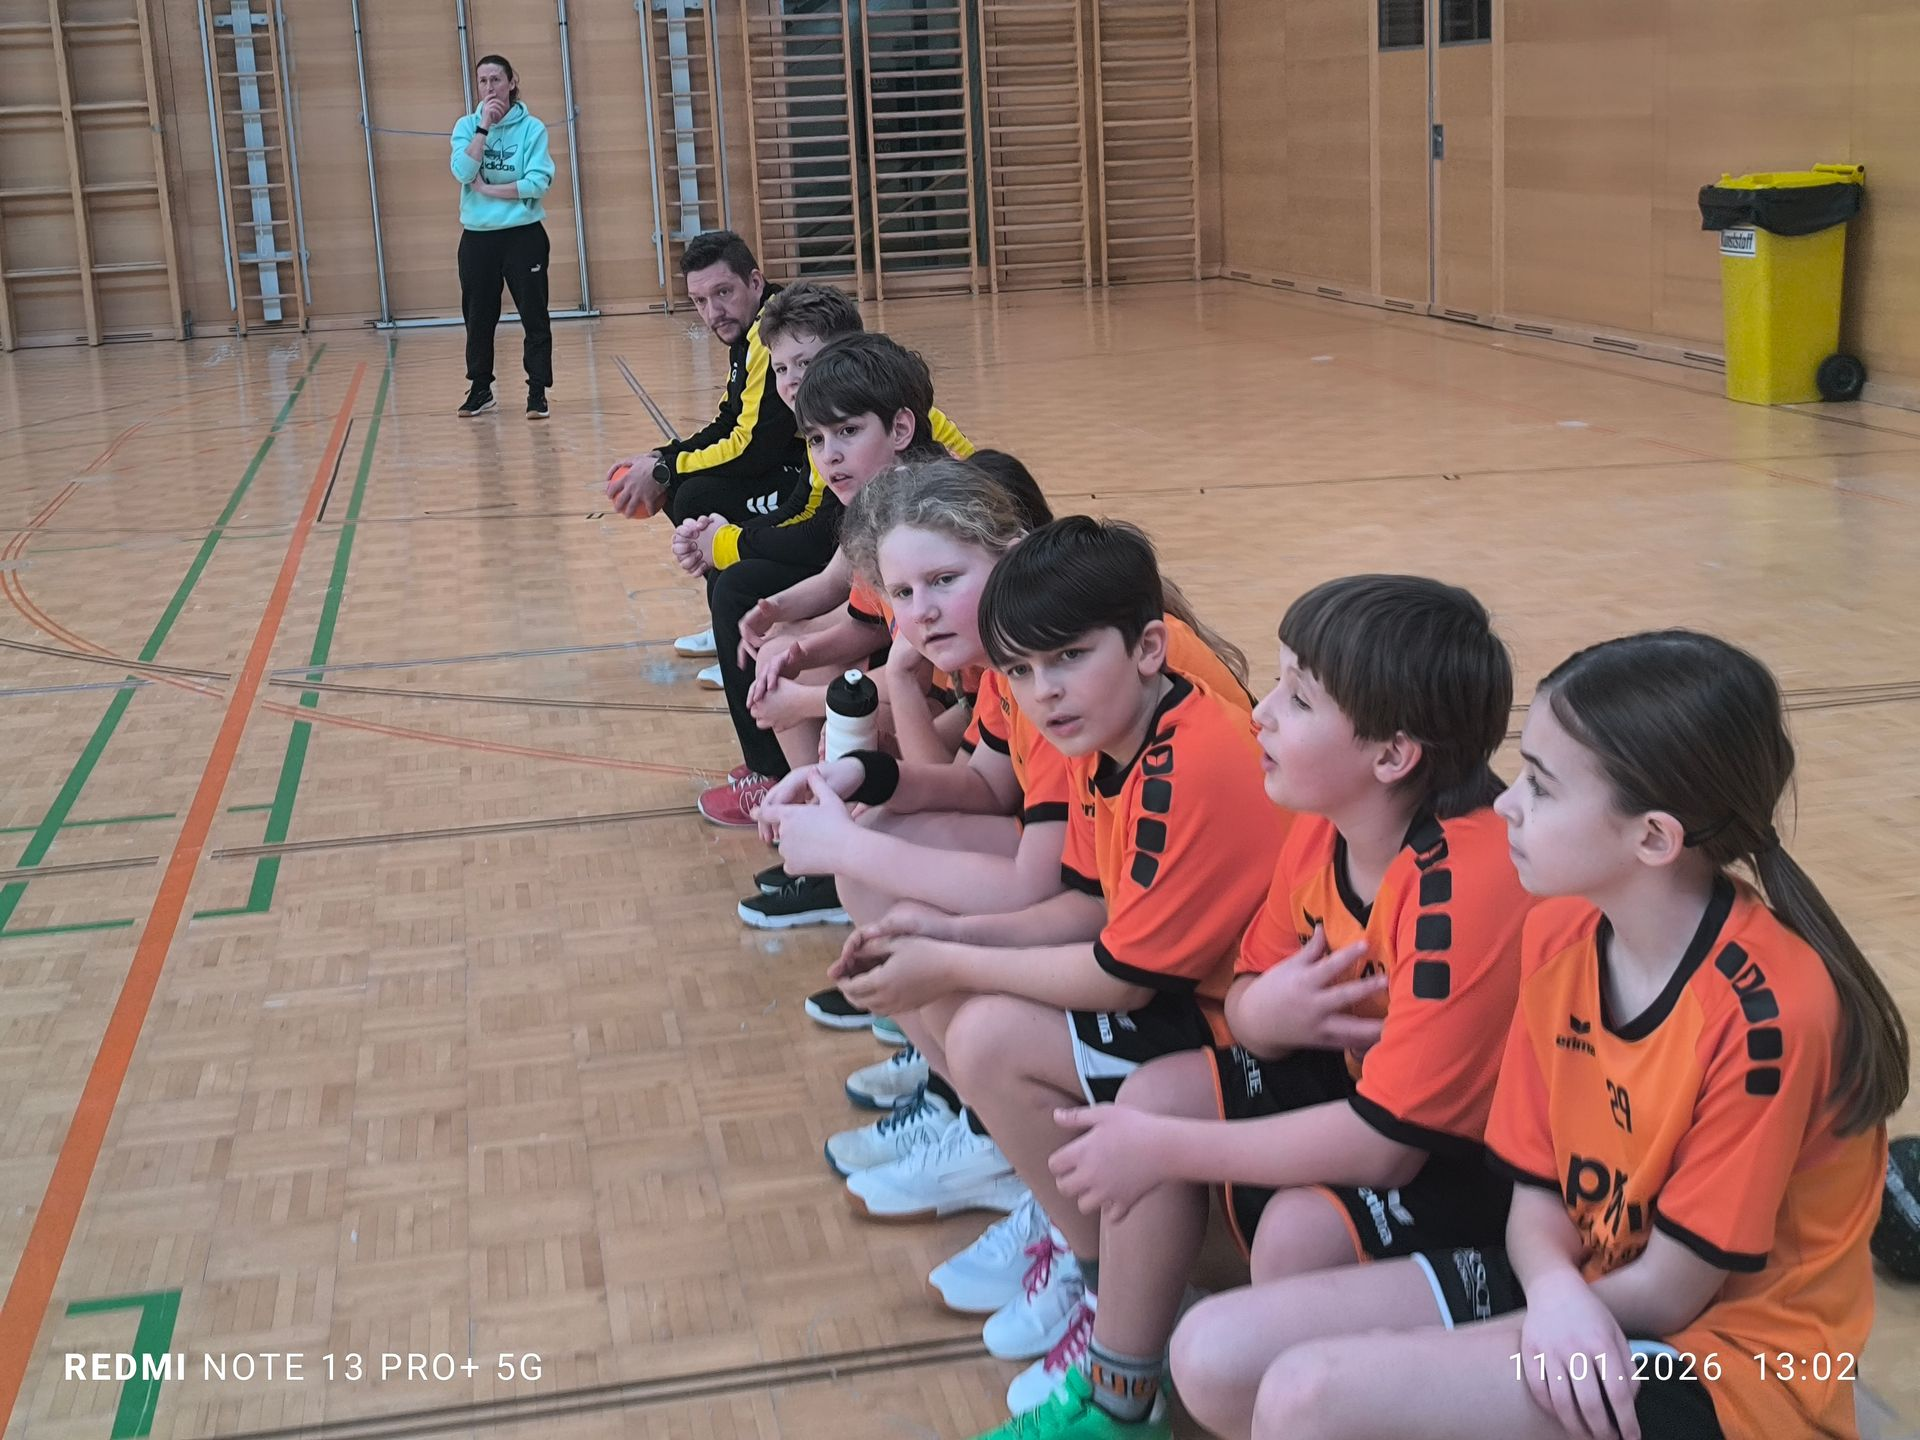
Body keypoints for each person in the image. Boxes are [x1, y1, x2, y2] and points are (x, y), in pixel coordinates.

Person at [1170, 629, 1908, 1440]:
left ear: (1654, 838)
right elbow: (1536, 1194)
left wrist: (1466, 1342)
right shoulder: (1558, 932)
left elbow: (1672, 1291)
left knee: (1311, 1396)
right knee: (1214, 1355)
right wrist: (1550, 1289)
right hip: (1581, 1290)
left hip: (1736, 1367)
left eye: (1543, 788)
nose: (1506, 805)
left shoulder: (1772, 1013)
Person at [990, 574, 1526, 1437]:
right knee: (1154, 1095)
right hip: (1367, 1093)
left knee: (1290, 1230)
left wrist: (1159, 1148)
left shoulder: (1463, 886)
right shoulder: (1325, 820)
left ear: (1394, 755)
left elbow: (1389, 1147)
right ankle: (1122, 1401)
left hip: (1479, 1166)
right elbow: (1246, 998)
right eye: (1277, 683)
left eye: (1299, 699)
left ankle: (1310, 1394)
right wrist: (1269, 1015)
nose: (1261, 713)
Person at [693, 332, 944, 828]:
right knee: (782, 653)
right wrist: (787, 637)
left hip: (966, 709)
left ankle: (831, 823)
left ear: (900, 428)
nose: (829, 455)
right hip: (930, 690)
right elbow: (861, 614)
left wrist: (806, 703)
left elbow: (914, 674)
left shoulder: (923, 520)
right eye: (816, 440)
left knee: (838, 704)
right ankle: (816, 810)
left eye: (847, 431)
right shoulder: (877, 498)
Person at [604, 231, 805, 532]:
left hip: (821, 477)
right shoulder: (749, 329)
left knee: (694, 497)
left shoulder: (776, 335)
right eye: (700, 301)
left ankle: (758, 562)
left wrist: (665, 470)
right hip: (788, 459)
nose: (713, 313)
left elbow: (752, 449)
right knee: (679, 488)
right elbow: (729, 421)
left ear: (755, 282)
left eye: (723, 292)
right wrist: (662, 457)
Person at [450, 55, 555, 420]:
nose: (490, 88)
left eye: (496, 79)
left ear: (512, 82)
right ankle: (480, 389)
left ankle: (537, 391)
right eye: (483, 81)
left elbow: (537, 183)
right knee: (478, 317)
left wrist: (488, 190)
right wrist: (483, 128)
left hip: (523, 236)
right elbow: (463, 172)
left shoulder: (532, 129)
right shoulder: (466, 126)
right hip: (478, 238)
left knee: (534, 315)